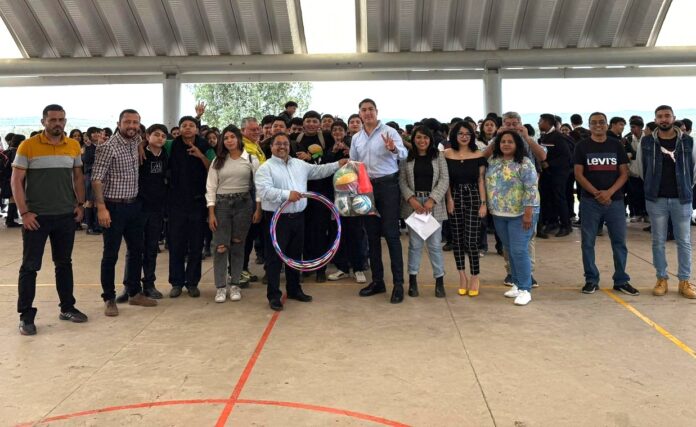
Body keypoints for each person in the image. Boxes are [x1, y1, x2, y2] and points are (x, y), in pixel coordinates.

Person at [11, 104, 87, 335]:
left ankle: (67, 307)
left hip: (65, 215)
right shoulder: (28, 146)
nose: (57, 123)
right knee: (30, 267)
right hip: (37, 217)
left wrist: (80, 204)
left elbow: (78, 176)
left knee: (64, 263)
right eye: (52, 119)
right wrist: (24, 213)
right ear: (43, 121)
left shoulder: (73, 145)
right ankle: (26, 316)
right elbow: (16, 181)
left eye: (61, 119)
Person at [255, 133, 348, 311]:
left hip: (298, 218)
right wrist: (286, 194)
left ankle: (294, 289)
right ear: (271, 147)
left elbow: (319, 171)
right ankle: (274, 295)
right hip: (277, 219)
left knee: (295, 257)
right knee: (275, 259)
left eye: (285, 143)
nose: (282, 146)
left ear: (289, 146)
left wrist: (338, 164)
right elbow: (264, 191)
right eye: (278, 144)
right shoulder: (265, 168)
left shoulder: (299, 164)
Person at [92, 109, 157, 316]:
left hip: (134, 206)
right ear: (118, 124)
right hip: (113, 207)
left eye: (135, 122)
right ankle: (109, 298)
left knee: (136, 250)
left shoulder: (135, 139)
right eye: (127, 122)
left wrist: (140, 145)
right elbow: (96, 179)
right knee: (110, 254)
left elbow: (140, 138)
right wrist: (101, 207)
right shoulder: (107, 147)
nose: (131, 126)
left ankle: (134, 292)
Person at [350, 98, 408, 303]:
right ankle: (378, 281)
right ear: (359, 113)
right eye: (363, 110)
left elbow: (404, 154)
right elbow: (354, 164)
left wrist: (393, 149)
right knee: (372, 236)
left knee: (391, 235)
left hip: (387, 187)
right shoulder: (356, 137)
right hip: (366, 189)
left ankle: (398, 284)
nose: (367, 113)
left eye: (370, 109)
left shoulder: (389, 132)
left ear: (376, 111)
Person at [574, 112, 636, 296]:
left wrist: (609, 192)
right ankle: (591, 280)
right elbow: (578, 174)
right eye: (594, 122)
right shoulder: (581, 146)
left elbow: (624, 173)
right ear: (589, 125)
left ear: (607, 124)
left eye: (601, 122)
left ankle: (621, 280)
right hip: (589, 201)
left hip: (615, 201)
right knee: (588, 242)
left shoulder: (616, 145)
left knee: (619, 242)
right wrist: (596, 193)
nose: (598, 125)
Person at [638, 105, 696, 298]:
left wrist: (686, 187)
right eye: (660, 116)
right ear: (655, 120)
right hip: (656, 199)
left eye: (667, 116)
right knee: (658, 241)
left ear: (673, 118)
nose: (664, 119)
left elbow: (694, 169)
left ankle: (684, 281)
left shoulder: (688, 141)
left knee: (684, 241)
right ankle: (661, 278)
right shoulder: (646, 141)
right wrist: (651, 186)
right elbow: (641, 168)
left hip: (682, 199)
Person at [163, 116, 216, 298]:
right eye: (184, 125)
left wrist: (200, 155)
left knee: (196, 244)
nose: (187, 128)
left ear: (196, 129)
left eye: (191, 125)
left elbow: (213, 169)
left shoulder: (205, 146)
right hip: (175, 202)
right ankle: (176, 283)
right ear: (179, 129)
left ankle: (192, 282)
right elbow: (151, 143)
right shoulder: (171, 145)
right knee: (176, 244)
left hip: (197, 202)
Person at [485, 130, 540, 306]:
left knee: (519, 250)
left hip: (522, 214)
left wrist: (528, 213)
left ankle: (525, 289)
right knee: (509, 250)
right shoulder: (493, 161)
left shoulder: (525, 163)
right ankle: (516, 283)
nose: (506, 144)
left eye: (510, 141)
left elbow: (531, 189)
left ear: (517, 144)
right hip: (499, 213)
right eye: (503, 141)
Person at [206, 125, 260, 303]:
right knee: (221, 247)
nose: (229, 140)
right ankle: (221, 287)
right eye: (226, 138)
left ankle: (235, 284)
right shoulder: (217, 161)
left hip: (244, 205)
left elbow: (259, 186)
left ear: (239, 139)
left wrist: (258, 208)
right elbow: (211, 187)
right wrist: (211, 213)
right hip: (221, 205)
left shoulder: (250, 159)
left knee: (238, 245)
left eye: (232, 137)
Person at [400, 125, 449, 298]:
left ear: (430, 140)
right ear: (413, 139)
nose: (422, 141)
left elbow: (444, 179)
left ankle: (439, 281)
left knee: (435, 245)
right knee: (415, 245)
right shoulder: (406, 158)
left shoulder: (438, 156)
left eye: (425, 137)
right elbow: (402, 181)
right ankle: (413, 281)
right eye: (419, 137)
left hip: (433, 205)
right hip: (414, 205)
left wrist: (432, 199)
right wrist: (411, 199)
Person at [445, 122, 487, 296]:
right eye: (460, 133)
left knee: (471, 241)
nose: (464, 137)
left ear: (472, 135)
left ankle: (475, 276)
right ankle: (462, 276)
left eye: (467, 134)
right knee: (457, 240)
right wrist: (449, 199)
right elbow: (446, 180)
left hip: (473, 196)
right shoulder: (447, 154)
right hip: (454, 196)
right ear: (454, 135)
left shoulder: (478, 154)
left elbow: (480, 180)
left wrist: (483, 203)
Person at [538, 113, 573, 237]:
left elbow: (566, 156)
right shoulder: (544, 136)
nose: (538, 123)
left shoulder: (558, 137)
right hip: (548, 174)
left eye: (540, 121)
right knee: (549, 198)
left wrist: (549, 163)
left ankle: (566, 225)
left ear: (547, 123)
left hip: (559, 174)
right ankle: (552, 222)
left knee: (559, 198)